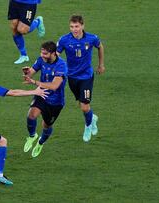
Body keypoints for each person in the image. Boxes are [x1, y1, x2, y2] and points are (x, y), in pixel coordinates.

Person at [56, 14, 105, 142]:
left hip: (86, 76)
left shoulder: (92, 38)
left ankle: (88, 126)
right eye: (72, 26)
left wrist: (101, 64)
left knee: (84, 105)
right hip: (71, 77)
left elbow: (100, 47)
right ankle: (92, 118)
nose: (74, 29)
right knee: (82, 104)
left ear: (82, 26)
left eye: (77, 26)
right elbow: (55, 55)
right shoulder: (64, 40)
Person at [22, 41, 68, 157]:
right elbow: (30, 73)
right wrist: (27, 73)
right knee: (31, 115)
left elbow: (54, 86)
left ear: (53, 53)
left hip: (56, 101)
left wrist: (35, 82)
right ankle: (32, 136)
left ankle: (41, 142)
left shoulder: (61, 65)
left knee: (46, 125)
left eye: (45, 54)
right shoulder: (41, 59)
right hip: (42, 93)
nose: (42, 55)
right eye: (42, 53)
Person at [8, 0, 45, 64]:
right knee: (14, 27)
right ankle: (23, 55)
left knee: (22, 30)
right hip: (14, 1)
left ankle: (37, 22)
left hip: (29, 3)